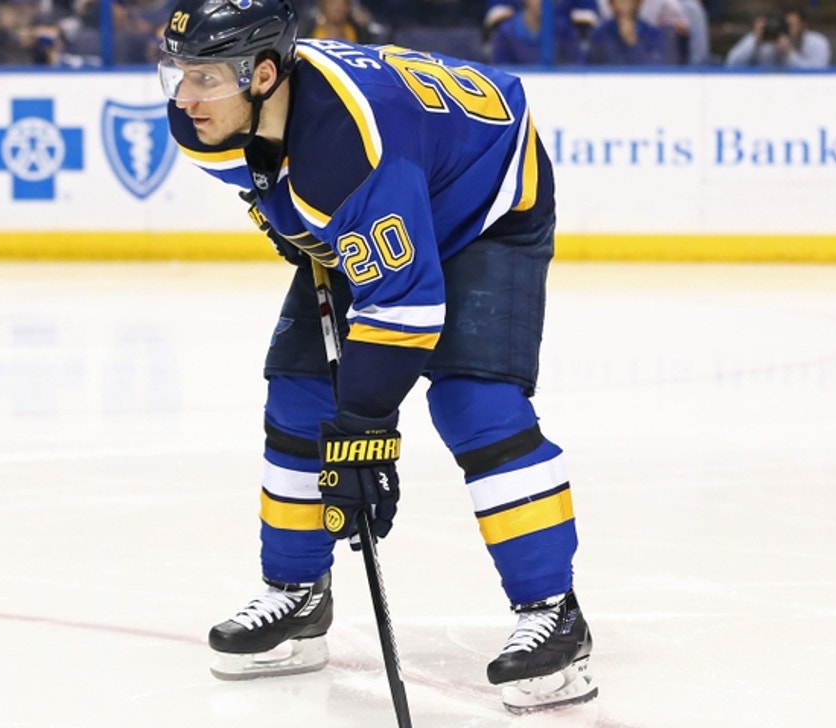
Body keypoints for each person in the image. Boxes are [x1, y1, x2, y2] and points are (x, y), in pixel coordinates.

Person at [157, 0, 595, 714]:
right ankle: (296, 596)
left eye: (205, 78)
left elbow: (408, 305)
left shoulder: (347, 150)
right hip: (396, 180)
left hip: (484, 199)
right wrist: (302, 231)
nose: (185, 96)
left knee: (474, 401)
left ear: (263, 74)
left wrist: (363, 429)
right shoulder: (205, 123)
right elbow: (277, 188)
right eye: (179, 74)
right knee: (300, 392)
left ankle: (555, 616)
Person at [724, 4, 830, 68]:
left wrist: (789, 54)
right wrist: (754, 40)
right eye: (783, 24)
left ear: (803, 26)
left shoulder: (818, 42)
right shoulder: (766, 38)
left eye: (791, 25)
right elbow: (731, 63)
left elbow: (818, 76)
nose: (786, 29)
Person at [490, 0, 585, 63]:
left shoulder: (564, 30)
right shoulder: (507, 33)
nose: (542, 1)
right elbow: (501, 72)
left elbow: (576, 67)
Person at [585, 0, 669, 64]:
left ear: (638, 3)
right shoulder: (600, 35)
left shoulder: (654, 35)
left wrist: (631, 41)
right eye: (620, 1)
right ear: (611, 5)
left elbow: (655, 70)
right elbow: (592, 68)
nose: (624, 6)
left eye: (629, 1)